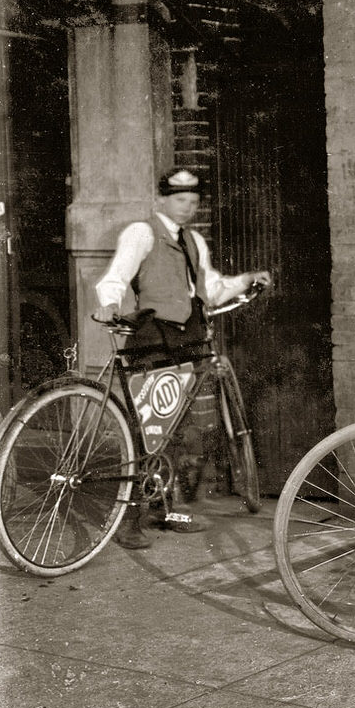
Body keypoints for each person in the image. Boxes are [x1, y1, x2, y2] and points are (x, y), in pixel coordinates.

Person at [94, 166, 272, 549]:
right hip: (153, 341)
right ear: (162, 198)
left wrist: (245, 280)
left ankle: (166, 509)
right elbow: (116, 277)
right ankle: (128, 521)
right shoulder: (142, 233)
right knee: (146, 431)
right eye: (179, 200)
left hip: (185, 342)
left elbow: (209, 287)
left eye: (193, 201)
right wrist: (110, 304)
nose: (187, 207)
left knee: (177, 430)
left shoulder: (193, 241)